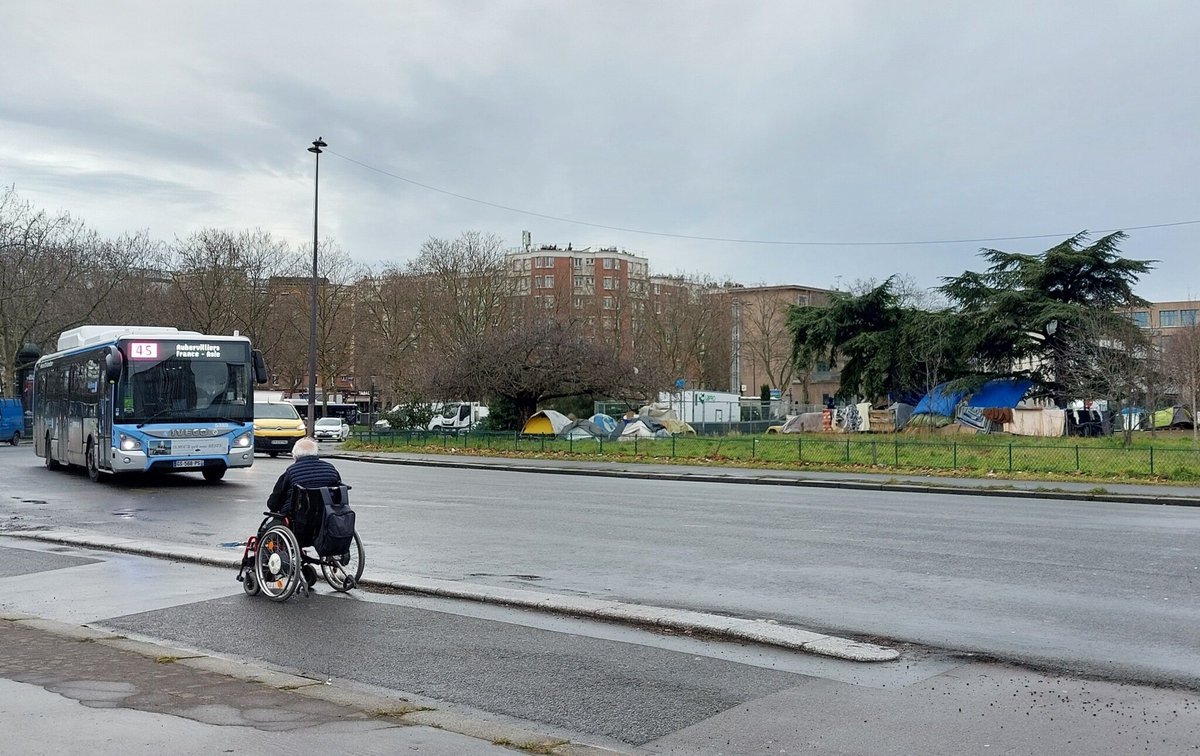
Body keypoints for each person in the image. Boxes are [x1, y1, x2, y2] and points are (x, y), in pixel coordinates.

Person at [265, 436, 343, 589]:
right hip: (325, 525)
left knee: (267, 531)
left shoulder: (291, 472)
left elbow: (274, 502)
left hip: (297, 526)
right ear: (315, 453)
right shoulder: (331, 469)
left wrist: (274, 509)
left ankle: (270, 566)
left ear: (295, 455)